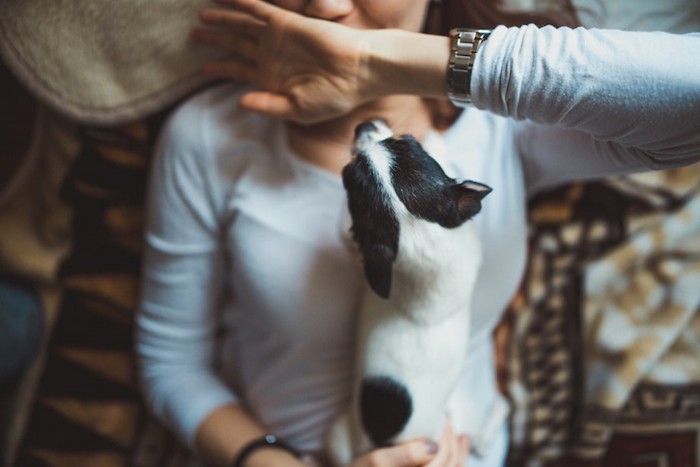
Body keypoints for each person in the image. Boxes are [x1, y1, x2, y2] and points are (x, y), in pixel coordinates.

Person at [135, 0, 700, 466]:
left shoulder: (503, 129)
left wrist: (381, 63)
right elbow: (170, 361)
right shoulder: (210, 137)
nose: (327, 6)